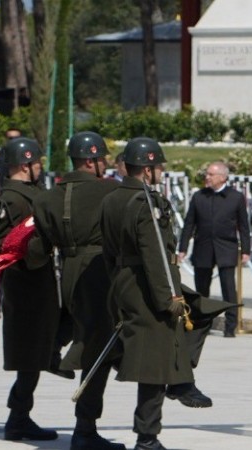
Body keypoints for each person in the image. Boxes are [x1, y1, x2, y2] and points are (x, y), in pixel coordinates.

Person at [100, 137, 194, 450]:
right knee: (154, 364)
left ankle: (183, 385)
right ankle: (147, 436)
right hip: (148, 288)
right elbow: (155, 256)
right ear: (148, 168)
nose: (162, 172)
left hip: (123, 281)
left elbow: (109, 249)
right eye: (159, 166)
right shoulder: (146, 202)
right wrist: (170, 299)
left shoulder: (112, 197)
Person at [31, 132, 124, 450]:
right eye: (103, 159)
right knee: (98, 350)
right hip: (100, 272)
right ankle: (85, 428)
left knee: (89, 337)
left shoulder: (47, 197)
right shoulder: (111, 191)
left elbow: (37, 249)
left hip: (66, 270)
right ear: (91, 160)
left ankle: (55, 350)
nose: (106, 164)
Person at [0, 137, 60, 442]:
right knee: (30, 356)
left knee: (38, 352)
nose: (40, 167)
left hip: (40, 282)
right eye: (36, 162)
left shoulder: (32, 194)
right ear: (24, 164)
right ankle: (17, 418)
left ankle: (19, 415)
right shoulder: (12, 199)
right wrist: (44, 245)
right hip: (25, 285)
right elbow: (5, 246)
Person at [179, 161, 250, 338]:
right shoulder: (199, 197)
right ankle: (202, 324)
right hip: (203, 248)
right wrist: (183, 248)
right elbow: (189, 224)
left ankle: (230, 326)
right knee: (201, 290)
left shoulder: (235, 197)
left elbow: (243, 226)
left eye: (211, 174)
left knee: (228, 288)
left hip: (226, 248)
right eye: (207, 174)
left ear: (222, 177)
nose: (207, 177)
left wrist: (246, 251)